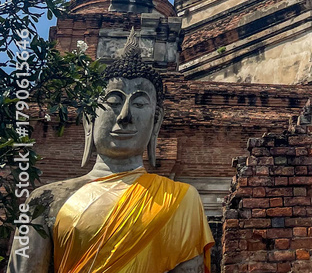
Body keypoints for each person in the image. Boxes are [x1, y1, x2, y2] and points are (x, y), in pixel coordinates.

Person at [9, 31, 214, 273]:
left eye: (139, 104)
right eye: (113, 102)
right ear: (89, 118)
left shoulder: (181, 199)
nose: (125, 116)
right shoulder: (45, 201)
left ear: (156, 122)